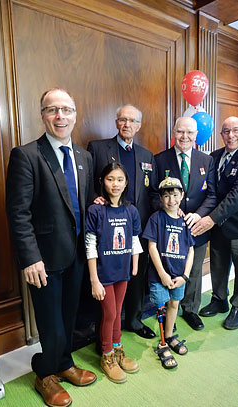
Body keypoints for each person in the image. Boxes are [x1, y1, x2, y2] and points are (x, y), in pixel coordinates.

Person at [6, 88, 96, 407]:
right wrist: (30, 258)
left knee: (69, 316)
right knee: (50, 320)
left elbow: (84, 205)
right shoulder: (26, 155)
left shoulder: (84, 156)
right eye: (52, 109)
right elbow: (18, 212)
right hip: (43, 259)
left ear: (75, 114)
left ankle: (64, 363)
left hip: (77, 256)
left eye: (66, 110)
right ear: (42, 115)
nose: (60, 116)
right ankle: (45, 373)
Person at [87, 104, 157, 339]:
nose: (127, 125)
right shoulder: (97, 148)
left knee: (135, 278)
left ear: (139, 125)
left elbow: (152, 193)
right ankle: (104, 335)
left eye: (132, 121)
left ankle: (134, 321)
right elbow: (86, 185)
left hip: (137, 229)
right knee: (106, 284)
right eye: (123, 120)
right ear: (116, 122)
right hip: (106, 229)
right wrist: (93, 198)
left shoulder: (147, 156)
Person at [191, 116, 238, 330]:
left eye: (235, 130)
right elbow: (209, 191)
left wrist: (211, 218)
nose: (231, 135)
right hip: (219, 227)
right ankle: (219, 299)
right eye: (226, 131)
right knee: (218, 265)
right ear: (220, 134)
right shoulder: (214, 157)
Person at [154, 116, 216, 331]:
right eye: (180, 132)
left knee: (194, 269)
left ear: (196, 135)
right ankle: (166, 309)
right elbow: (153, 193)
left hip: (196, 226)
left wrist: (198, 215)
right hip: (168, 226)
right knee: (168, 265)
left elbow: (212, 195)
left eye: (190, 133)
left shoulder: (206, 161)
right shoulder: (160, 160)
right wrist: (170, 209)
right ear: (174, 132)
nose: (185, 137)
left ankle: (190, 309)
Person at [85, 162, 142, 383]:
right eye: (110, 179)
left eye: (119, 179)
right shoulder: (96, 210)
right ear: (102, 182)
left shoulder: (131, 210)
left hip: (123, 271)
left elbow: (135, 239)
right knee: (109, 313)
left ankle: (117, 349)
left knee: (118, 312)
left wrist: (134, 265)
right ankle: (107, 354)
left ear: (126, 182)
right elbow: (90, 246)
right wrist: (94, 280)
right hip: (103, 273)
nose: (115, 184)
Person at [142, 177, 194, 369]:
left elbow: (191, 250)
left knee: (174, 304)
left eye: (174, 195)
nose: (171, 200)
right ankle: (162, 343)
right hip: (159, 275)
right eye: (166, 196)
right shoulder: (156, 218)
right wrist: (163, 274)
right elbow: (152, 247)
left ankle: (170, 335)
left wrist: (185, 276)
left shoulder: (185, 220)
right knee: (161, 306)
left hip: (179, 276)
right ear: (161, 198)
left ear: (181, 196)